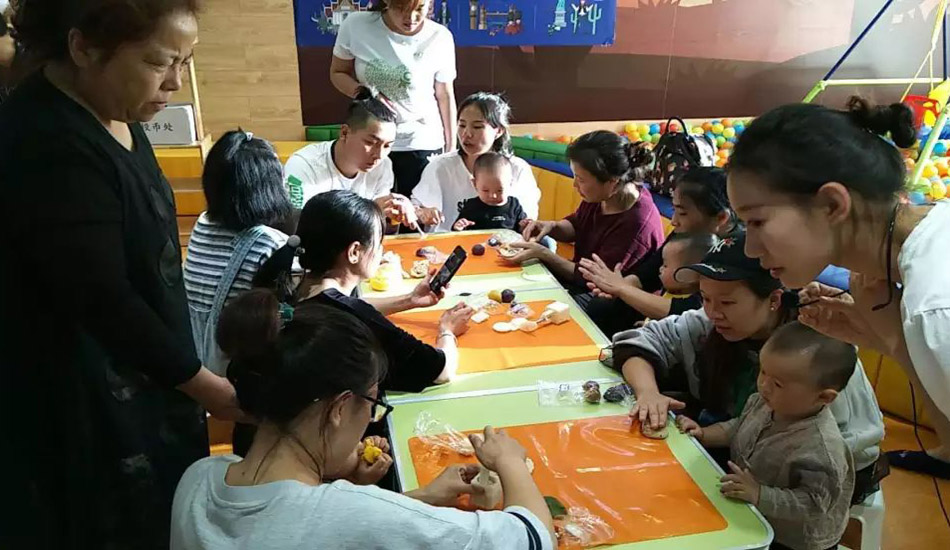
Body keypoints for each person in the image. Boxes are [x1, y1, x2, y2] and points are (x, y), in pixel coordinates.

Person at [0, 1, 241, 548]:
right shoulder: (47, 141)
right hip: (87, 402)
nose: (174, 83)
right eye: (159, 62)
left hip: (153, 379)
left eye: (184, 62)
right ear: (83, 47)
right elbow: (103, 298)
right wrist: (208, 388)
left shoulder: (115, 108)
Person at [172, 295, 556, 550]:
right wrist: (508, 461)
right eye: (371, 403)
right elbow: (533, 539)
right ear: (339, 408)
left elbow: (317, 526)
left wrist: (420, 498)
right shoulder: (346, 513)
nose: (369, 417)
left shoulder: (197, 479)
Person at [727, 96, 950, 480]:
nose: (750, 248)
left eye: (757, 222)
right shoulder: (930, 235)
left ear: (832, 204)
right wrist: (892, 340)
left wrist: (905, 335)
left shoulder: (934, 307)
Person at [610, 233, 886, 504]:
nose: (713, 312)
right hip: (741, 447)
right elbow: (638, 342)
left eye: (727, 302)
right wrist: (648, 393)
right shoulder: (710, 323)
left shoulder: (813, 349)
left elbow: (814, 456)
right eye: (705, 298)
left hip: (808, 478)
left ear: (774, 300)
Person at [256, 190, 473, 392]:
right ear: (354, 252)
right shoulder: (352, 320)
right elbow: (441, 370)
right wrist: (447, 330)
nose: (382, 250)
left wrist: (409, 300)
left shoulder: (292, 284)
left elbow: (341, 304)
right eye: (379, 243)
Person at [677, 322, 856, 550]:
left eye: (778, 383)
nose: (763, 385)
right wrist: (704, 434)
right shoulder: (767, 401)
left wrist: (760, 494)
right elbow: (740, 425)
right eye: (762, 371)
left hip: (795, 540)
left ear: (824, 397)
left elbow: (814, 504)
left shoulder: (822, 450)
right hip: (753, 511)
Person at [184, 130, 293, 375]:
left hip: (196, 356)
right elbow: (290, 310)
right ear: (268, 187)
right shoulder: (270, 244)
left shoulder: (203, 223)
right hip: (238, 368)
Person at [511, 131, 665, 295]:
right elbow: (577, 225)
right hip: (583, 282)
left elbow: (595, 280)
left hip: (606, 297)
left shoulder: (636, 224)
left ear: (613, 183)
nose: (575, 185)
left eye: (581, 179)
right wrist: (551, 227)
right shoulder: (602, 195)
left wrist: (545, 255)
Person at [330, 0, 457, 197]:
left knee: (416, 208)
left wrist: (451, 149)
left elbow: (445, 95)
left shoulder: (440, 37)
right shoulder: (356, 25)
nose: (411, 18)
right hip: (370, 139)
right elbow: (338, 72)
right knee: (370, 207)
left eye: (420, 8)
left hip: (421, 140)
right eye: (401, 9)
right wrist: (363, 93)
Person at [283, 88, 415, 228]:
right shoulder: (303, 165)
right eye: (370, 143)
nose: (379, 155)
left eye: (387, 146)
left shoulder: (383, 165)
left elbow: (379, 221)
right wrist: (369, 211)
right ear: (344, 133)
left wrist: (395, 208)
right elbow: (297, 225)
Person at [413, 91, 541, 232]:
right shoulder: (440, 167)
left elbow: (527, 222)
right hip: (449, 242)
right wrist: (422, 213)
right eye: (462, 125)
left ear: (499, 131)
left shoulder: (517, 168)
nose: (466, 134)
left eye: (477, 127)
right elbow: (416, 210)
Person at [581, 232, 717, 328]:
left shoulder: (695, 307)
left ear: (690, 274)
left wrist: (621, 288)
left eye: (665, 265)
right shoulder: (672, 291)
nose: (660, 269)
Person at [453, 152, 527, 232]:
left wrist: (524, 226)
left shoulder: (514, 205)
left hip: (506, 240)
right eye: (486, 190)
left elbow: (522, 229)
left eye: (499, 190)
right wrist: (458, 227)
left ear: (510, 184)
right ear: (475, 184)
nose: (493, 195)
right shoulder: (471, 206)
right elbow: (457, 232)